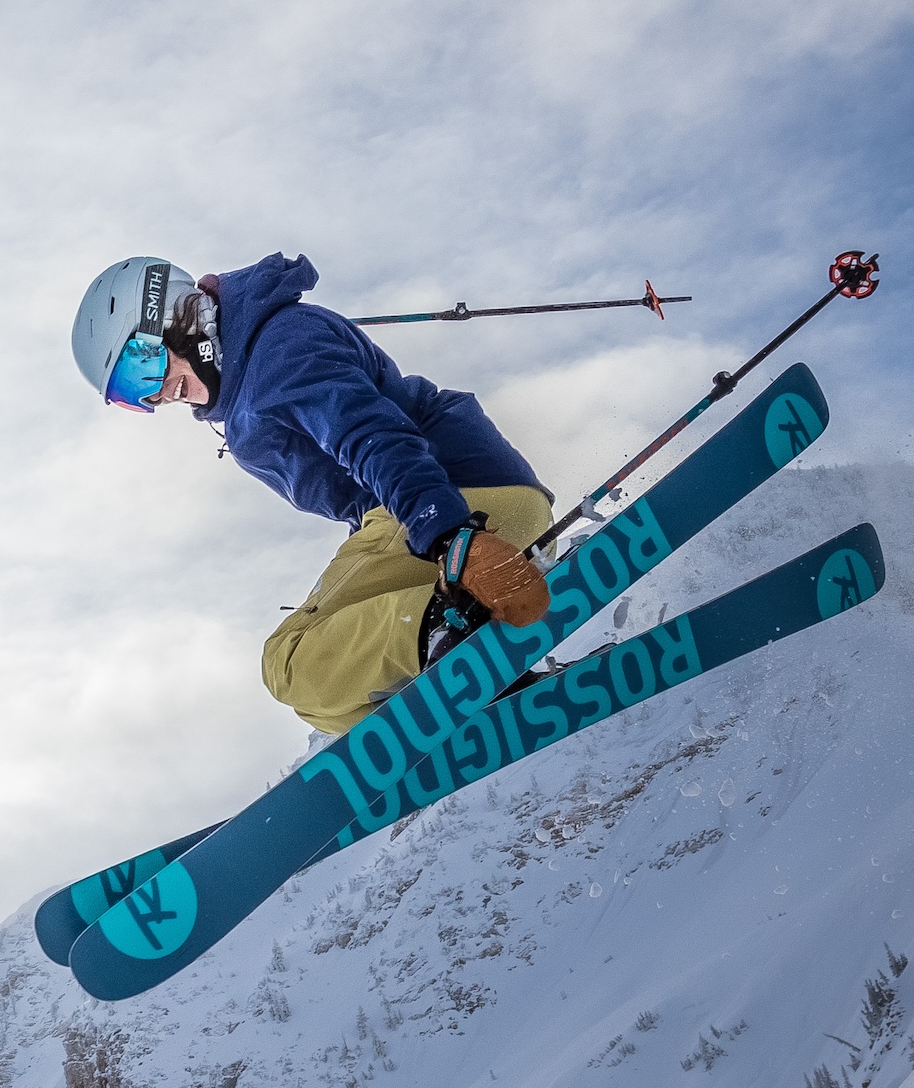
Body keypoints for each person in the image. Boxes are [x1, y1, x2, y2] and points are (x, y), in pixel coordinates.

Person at [71, 252, 554, 739]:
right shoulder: (250, 391)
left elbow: (371, 437)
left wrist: (449, 535)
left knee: (292, 661)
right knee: (332, 702)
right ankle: (478, 687)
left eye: (141, 369)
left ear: (179, 317)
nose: (157, 395)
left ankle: (449, 628)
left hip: (456, 508)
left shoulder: (280, 351)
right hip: (471, 515)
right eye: (133, 396)